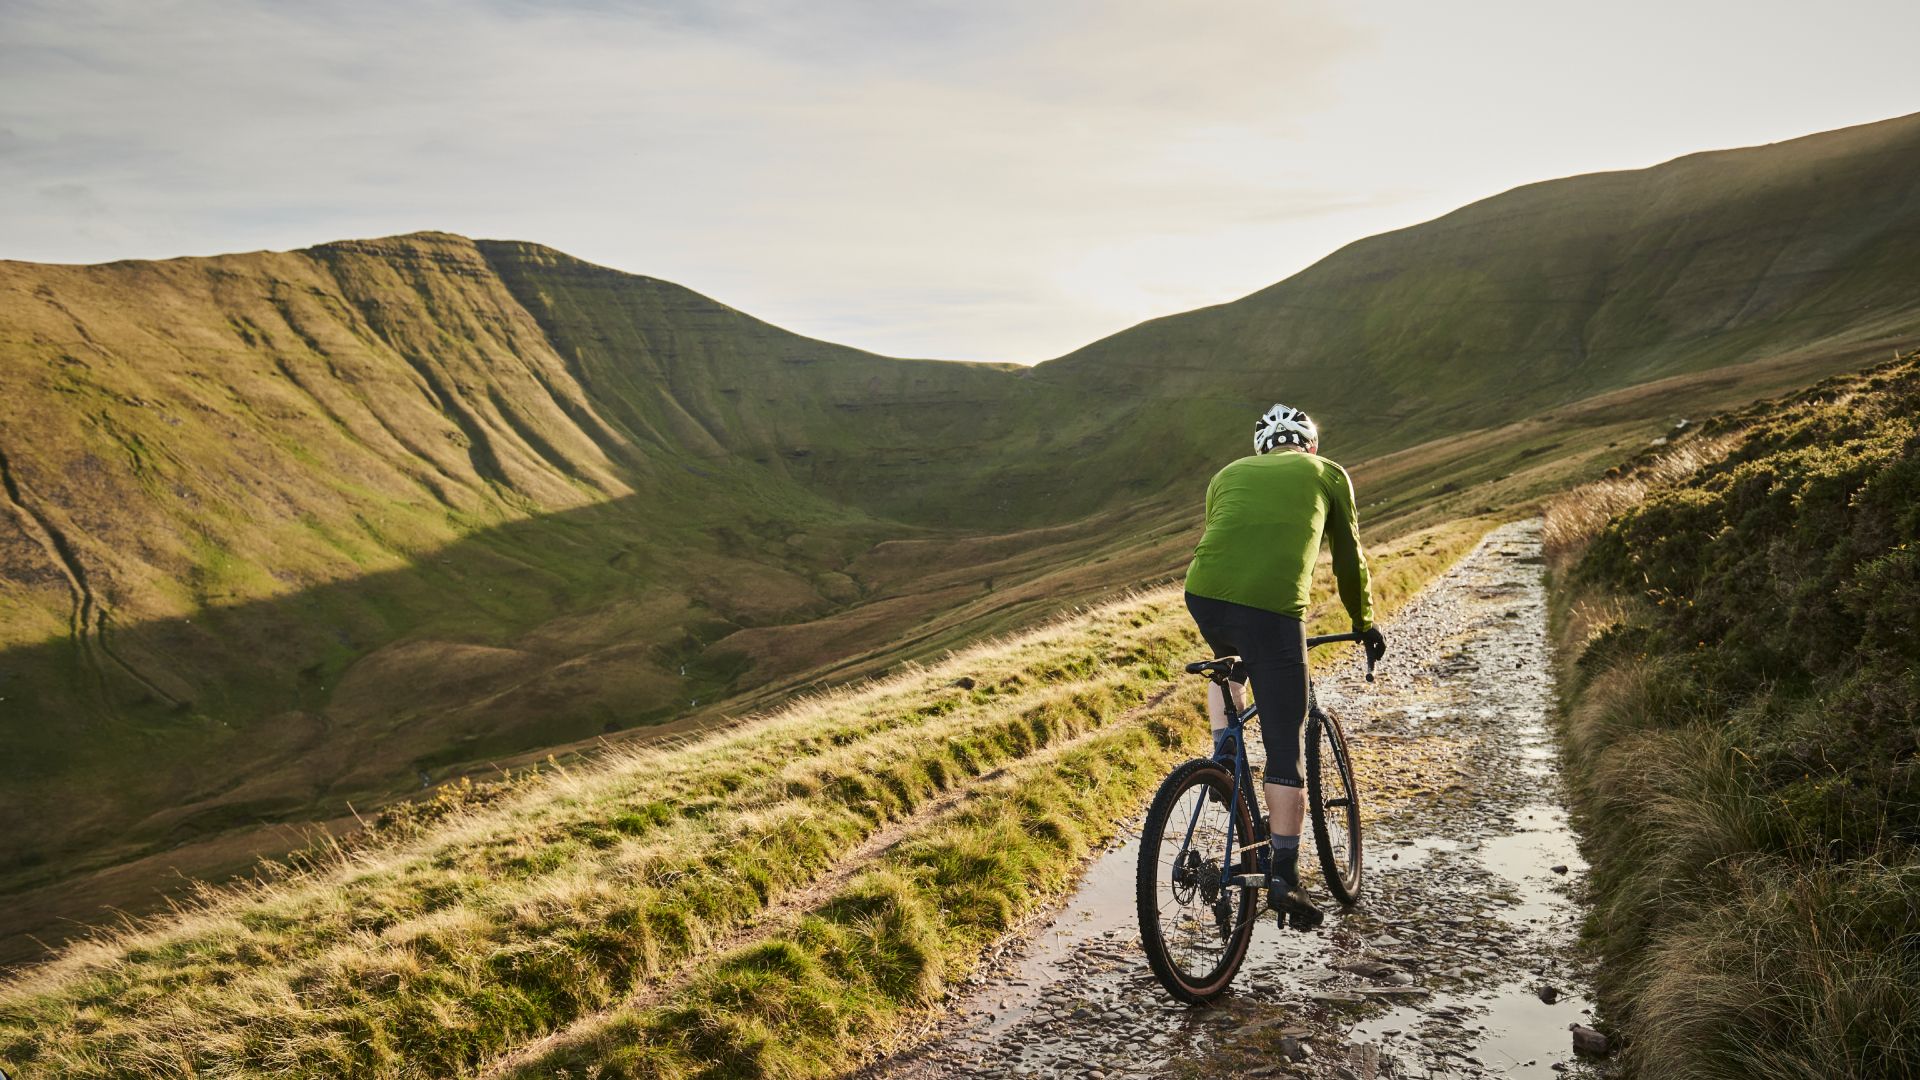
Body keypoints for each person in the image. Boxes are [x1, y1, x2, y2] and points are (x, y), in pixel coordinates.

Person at [1183, 403, 1386, 929]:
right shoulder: (1327, 472)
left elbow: (1228, 536)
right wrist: (1364, 621)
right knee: (1284, 742)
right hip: (1273, 610)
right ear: (1309, 445)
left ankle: (1222, 763)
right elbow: (1349, 557)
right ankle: (1284, 878)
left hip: (1203, 594)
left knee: (1230, 665)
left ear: (1262, 450)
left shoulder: (1226, 474)